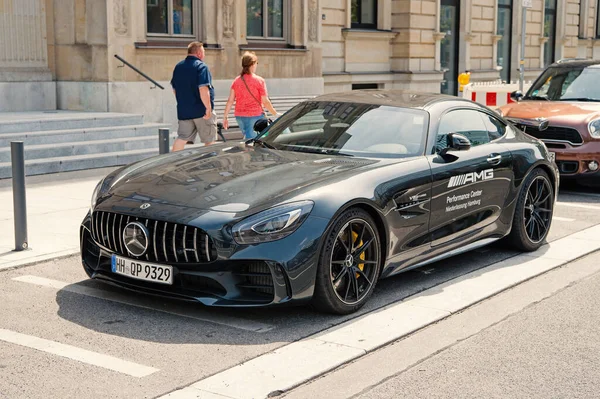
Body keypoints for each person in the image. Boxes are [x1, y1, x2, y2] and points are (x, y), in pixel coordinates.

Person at [170, 41, 217, 151]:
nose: (204, 55)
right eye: (204, 52)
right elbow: (203, 89)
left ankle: (173, 163)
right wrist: (208, 108)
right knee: (209, 140)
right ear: (199, 53)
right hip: (201, 111)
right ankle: (209, 165)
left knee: (182, 138)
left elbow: (175, 90)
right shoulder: (201, 67)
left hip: (184, 111)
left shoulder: (178, 67)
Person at [222, 51, 279, 140]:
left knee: (249, 139)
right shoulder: (259, 81)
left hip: (239, 116)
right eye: (256, 63)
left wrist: (225, 117)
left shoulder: (237, 81)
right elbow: (265, 101)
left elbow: (230, 100)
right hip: (254, 116)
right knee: (253, 142)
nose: (256, 65)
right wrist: (275, 113)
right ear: (252, 64)